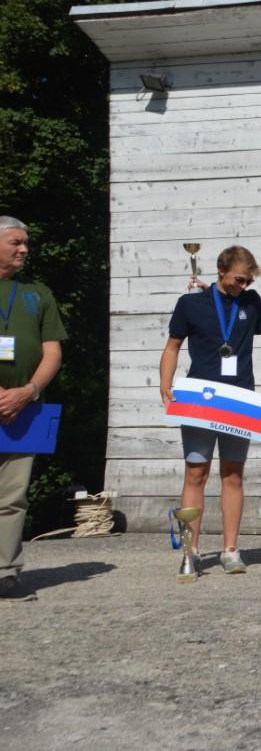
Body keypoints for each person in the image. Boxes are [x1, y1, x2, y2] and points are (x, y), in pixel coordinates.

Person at [159, 245, 261, 574]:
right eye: (239, 279)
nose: (244, 286)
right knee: (196, 472)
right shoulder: (190, 303)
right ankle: (191, 550)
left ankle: (231, 549)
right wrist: (165, 384)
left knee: (233, 475)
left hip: (239, 398)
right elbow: (172, 347)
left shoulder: (251, 303)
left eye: (249, 281)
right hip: (199, 397)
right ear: (221, 271)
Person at [0, 217, 66, 601]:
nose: (24, 249)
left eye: (26, 243)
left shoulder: (37, 293)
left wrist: (27, 391)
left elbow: (52, 351)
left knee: (12, 496)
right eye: (15, 242)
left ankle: (6, 572)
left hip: (23, 409)